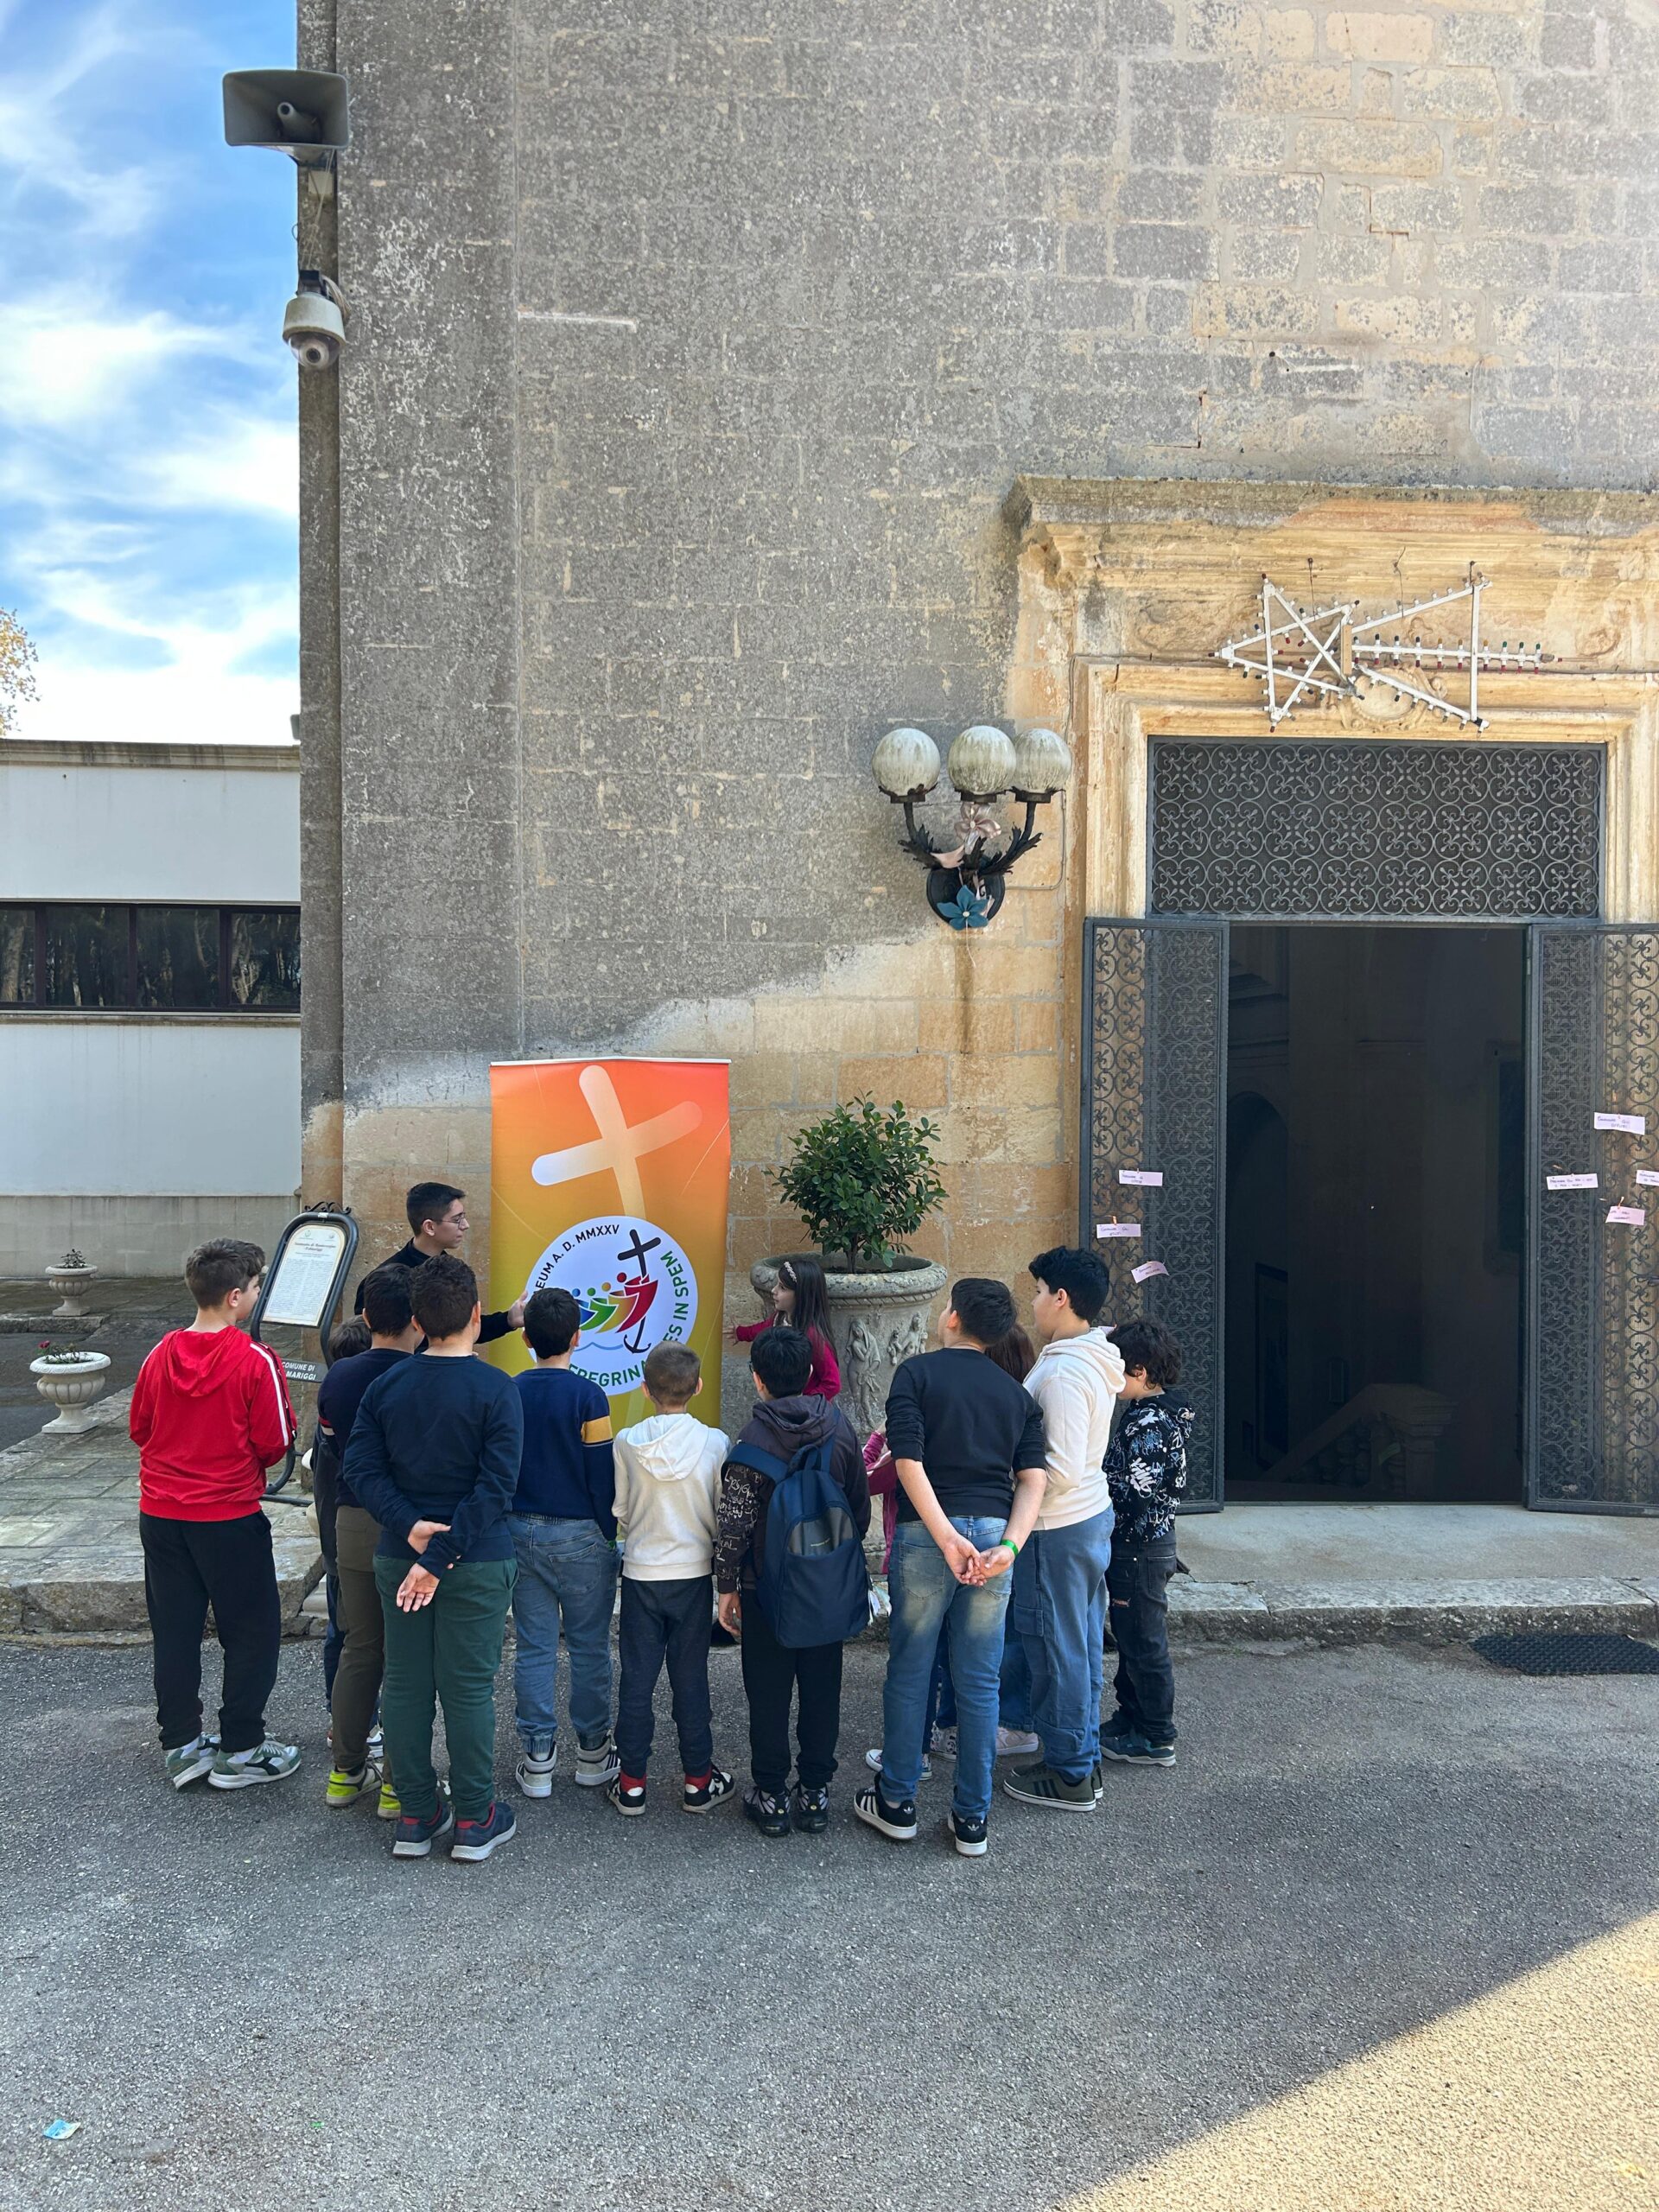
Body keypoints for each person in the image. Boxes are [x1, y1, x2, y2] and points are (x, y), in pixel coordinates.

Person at [855, 1280, 1046, 1858]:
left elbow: (907, 1461)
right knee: (980, 1678)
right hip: (992, 1536)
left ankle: (897, 1802)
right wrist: (1009, 1547)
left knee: (911, 1668)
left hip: (926, 1534)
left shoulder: (916, 1374)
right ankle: (972, 1818)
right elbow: (1033, 1479)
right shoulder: (1017, 1394)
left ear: (954, 1318)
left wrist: (945, 1537)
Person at [344, 1255, 522, 1863]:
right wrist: (441, 1552)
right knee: (468, 1690)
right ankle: (474, 1817)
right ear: (477, 1314)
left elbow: (361, 1468)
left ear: (416, 1322)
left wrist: (411, 1529)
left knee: (406, 1684)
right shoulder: (497, 1389)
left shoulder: (386, 1386)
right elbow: (496, 1488)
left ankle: (416, 1814)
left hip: (402, 1557)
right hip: (475, 1560)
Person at [130, 1238, 300, 1791]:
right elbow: (275, 1443)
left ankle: (181, 1744)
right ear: (235, 1296)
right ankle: (242, 1746)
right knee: (251, 1632)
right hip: (227, 1514)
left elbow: (140, 1427)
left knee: (174, 1630)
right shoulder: (255, 1359)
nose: (256, 1293)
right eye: (255, 1285)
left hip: (161, 1512)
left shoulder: (159, 1354)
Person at [715, 1325, 868, 1838]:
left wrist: (727, 1587)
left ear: (757, 1379)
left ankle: (772, 1794)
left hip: (765, 1588)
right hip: (826, 1584)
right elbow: (858, 1509)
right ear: (809, 1374)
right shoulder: (839, 1428)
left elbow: (733, 1527)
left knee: (768, 1691)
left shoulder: (751, 1442)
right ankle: (816, 1793)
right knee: (823, 1687)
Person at [1001, 1248, 1126, 1814]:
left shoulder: (1064, 1372)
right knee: (1076, 1644)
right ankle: (1079, 1757)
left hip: (1058, 1527)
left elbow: (1061, 1468)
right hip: (1083, 1519)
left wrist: (1015, 1494)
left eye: (1038, 1292)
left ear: (1062, 1298)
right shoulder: (1086, 1357)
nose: (1032, 1303)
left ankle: (1070, 1772)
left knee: (1057, 1647)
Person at [315, 1265, 423, 1817]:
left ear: (365, 1316)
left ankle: (345, 1770)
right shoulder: (420, 1376)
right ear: (418, 1320)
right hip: (407, 1526)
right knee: (406, 1657)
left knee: (360, 1648)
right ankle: (399, 1784)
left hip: (352, 1519)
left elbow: (333, 1447)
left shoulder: (339, 1376)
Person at [609, 1341, 733, 1816]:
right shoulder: (716, 1443)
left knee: (637, 1679)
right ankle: (698, 1781)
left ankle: (632, 1783)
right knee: (691, 1678)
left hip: (642, 1573)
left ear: (645, 1389)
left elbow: (621, 1510)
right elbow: (722, 1512)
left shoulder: (626, 1442)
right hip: (693, 1575)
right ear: (697, 1387)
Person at [508, 1287, 621, 1798]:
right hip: (580, 1533)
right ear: (578, 1337)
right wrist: (607, 1534)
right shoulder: (589, 1397)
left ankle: (538, 1758)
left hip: (518, 1530)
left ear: (526, 1338)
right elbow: (601, 1475)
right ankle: (593, 1753)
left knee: (533, 1647)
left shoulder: (510, 1391)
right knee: (589, 1647)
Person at [1100, 1318, 1192, 1770]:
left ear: (1139, 1371)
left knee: (1143, 1641)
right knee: (1132, 1637)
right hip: (1145, 1546)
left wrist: (1097, 1486)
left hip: (1140, 1548)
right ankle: (1131, 1717)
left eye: (1117, 1367)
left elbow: (1138, 1493)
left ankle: (1156, 1736)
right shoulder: (1152, 1412)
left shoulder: (1149, 1423)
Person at [354, 1180, 524, 1344]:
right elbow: (370, 1345)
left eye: (463, 1217)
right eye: (457, 1219)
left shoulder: (453, 1270)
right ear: (429, 1227)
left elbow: (462, 1329)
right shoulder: (383, 1282)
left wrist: (508, 1320)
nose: (465, 1225)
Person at [312, 1314, 373, 1721]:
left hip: (334, 1541)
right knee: (355, 1635)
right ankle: (357, 1717)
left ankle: (342, 1714)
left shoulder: (328, 1412)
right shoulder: (354, 1418)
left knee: (342, 1631)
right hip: (348, 1536)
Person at [728, 1256, 841, 1401]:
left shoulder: (814, 1337)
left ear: (801, 1295)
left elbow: (833, 1383)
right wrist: (740, 1333)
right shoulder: (780, 1318)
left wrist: (805, 1401)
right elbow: (763, 1328)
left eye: (783, 1288)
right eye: (777, 1285)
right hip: (784, 1400)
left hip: (805, 1409)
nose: (774, 1290)